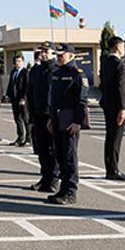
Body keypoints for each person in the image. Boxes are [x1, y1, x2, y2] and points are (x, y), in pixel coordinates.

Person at [47, 43, 88, 205]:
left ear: (71, 56)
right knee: (60, 155)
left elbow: (82, 100)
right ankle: (63, 189)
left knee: (70, 156)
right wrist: (51, 118)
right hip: (58, 120)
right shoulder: (57, 73)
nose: (58, 58)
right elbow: (54, 100)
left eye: (61, 55)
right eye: (57, 55)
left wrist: (78, 121)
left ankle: (71, 191)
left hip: (70, 120)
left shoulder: (77, 74)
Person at [27, 42, 60, 193]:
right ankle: (45, 177)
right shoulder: (36, 71)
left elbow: (57, 96)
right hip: (38, 115)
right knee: (41, 148)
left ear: (54, 54)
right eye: (42, 51)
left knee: (53, 149)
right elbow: (31, 93)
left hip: (51, 115)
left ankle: (54, 179)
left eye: (47, 51)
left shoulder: (57, 71)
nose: (44, 54)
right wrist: (31, 115)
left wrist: (54, 117)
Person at [100, 36, 125, 181]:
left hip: (107, 105)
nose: (123, 49)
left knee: (110, 137)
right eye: (122, 46)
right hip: (117, 107)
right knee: (116, 138)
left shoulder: (106, 63)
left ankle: (109, 168)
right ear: (118, 47)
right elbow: (121, 88)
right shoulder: (120, 64)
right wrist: (123, 108)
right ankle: (113, 170)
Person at [6, 54, 31, 147]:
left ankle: (29, 139)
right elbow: (10, 84)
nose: (17, 63)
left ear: (23, 62)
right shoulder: (13, 72)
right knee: (17, 119)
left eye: (19, 61)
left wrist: (24, 98)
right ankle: (20, 137)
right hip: (14, 99)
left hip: (22, 99)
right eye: (16, 61)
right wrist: (7, 95)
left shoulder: (26, 72)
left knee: (25, 119)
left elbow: (27, 87)